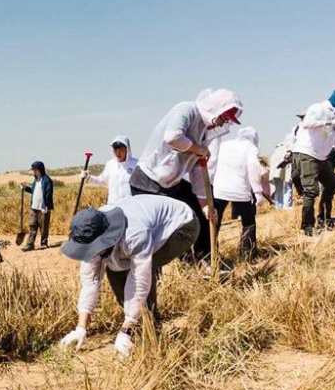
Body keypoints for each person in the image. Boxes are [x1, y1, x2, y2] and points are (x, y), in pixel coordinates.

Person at [55, 195, 200, 358]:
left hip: (181, 226)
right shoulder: (89, 231)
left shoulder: (134, 235)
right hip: (146, 221)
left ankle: (148, 327)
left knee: (134, 268)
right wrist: (80, 328)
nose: (89, 253)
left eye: (92, 248)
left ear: (105, 239)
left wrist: (126, 329)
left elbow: (139, 281)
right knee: (115, 267)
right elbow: (90, 282)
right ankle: (139, 324)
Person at [131, 89, 241, 261]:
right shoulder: (186, 109)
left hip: (171, 185)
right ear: (216, 109)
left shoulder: (204, 133)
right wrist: (198, 149)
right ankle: (149, 276)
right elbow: (172, 137)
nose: (222, 124)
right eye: (224, 118)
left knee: (195, 215)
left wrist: (205, 206)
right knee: (155, 233)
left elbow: (198, 173)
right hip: (147, 182)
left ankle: (198, 259)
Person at [292, 86, 335, 235]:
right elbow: (307, 123)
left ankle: (324, 218)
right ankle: (307, 226)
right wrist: (328, 123)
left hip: (321, 157)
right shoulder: (318, 108)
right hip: (306, 154)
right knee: (311, 191)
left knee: (333, 185)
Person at [209, 127, 268, 260]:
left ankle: (211, 254)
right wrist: (258, 191)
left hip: (219, 190)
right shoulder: (250, 148)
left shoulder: (224, 145)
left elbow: (212, 163)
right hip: (240, 191)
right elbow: (253, 168)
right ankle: (248, 254)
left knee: (215, 222)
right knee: (248, 222)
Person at [82, 136, 139, 206]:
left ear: (127, 149)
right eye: (115, 149)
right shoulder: (110, 164)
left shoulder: (136, 164)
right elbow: (101, 180)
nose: (118, 153)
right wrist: (88, 177)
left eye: (121, 149)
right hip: (113, 205)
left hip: (130, 205)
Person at [17, 161, 54, 250]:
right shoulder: (36, 180)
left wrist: (46, 206)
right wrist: (26, 188)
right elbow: (34, 191)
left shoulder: (47, 180)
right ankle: (30, 244)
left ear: (39, 170)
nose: (33, 172)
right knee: (32, 225)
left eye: (34, 170)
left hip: (43, 208)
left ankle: (44, 243)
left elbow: (49, 194)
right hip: (34, 207)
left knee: (43, 227)